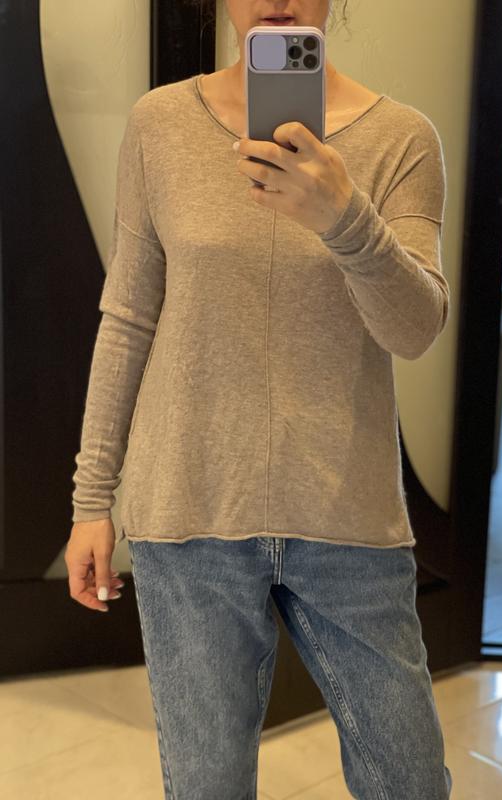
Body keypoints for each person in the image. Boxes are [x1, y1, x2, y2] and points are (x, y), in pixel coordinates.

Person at [64, 1, 453, 797]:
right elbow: (129, 315)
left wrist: (344, 218)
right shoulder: (160, 124)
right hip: (190, 509)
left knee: (410, 782)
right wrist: (90, 499)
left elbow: (414, 330)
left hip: (347, 517)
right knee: (206, 784)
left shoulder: (402, 139)